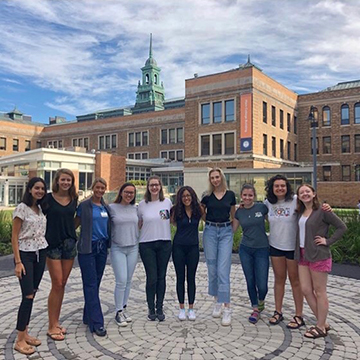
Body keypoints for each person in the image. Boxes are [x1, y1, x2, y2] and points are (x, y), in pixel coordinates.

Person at [295, 184, 346, 338]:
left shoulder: (323, 211)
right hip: (303, 254)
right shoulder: (300, 212)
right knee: (305, 289)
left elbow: (341, 227)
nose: (305, 194)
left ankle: (320, 327)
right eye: (301, 192)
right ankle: (322, 322)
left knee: (320, 291)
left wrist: (328, 241)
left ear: (314, 193)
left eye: (307, 191)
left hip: (318, 254)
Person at [11, 177, 48, 355]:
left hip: (40, 253)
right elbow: (15, 235)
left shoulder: (39, 208)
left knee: (32, 294)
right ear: (30, 189)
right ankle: (19, 340)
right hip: (25, 254)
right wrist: (18, 262)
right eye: (37, 188)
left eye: (42, 188)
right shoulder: (22, 208)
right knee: (27, 296)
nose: (40, 191)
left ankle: (25, 332)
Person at [264, 174, 305, 329]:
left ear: (287, 187)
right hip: (275, 246)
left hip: (292, 248)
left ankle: (299, 315)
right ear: (272, 188)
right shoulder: (268, 203)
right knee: (279, 279)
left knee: (295, 281)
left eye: (282, 185)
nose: (280, 188)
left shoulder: (295, 200)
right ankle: (278, 311)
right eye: (276, 186)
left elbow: (312, 208)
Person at [44, 168, 77, 340]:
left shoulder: (73, 199)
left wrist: (71, 230)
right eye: (63, 180)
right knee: (56, 283)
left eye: (68, 180)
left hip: (69, 244)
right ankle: (51, 326)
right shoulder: (47, 199)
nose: (65, 183)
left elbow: (75, 219)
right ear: (57, 181)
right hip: (52, 244)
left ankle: (56, 322)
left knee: (63, 283)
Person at [75, 177, 110, 336]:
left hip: (102, 248)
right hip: (88, 249)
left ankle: (87, 315)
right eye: (97, 187)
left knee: (95, 282)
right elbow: (74, 225)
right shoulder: (84, 206)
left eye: (103, 188)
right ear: (92, 188)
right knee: (90, 284)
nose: (100, 190)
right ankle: (97, 322)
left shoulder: (105, 207)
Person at [201, 168, 236, 326]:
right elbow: (202, 213)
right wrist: (208, 224)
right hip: (210, 231)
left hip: (225, 231)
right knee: (212, 268)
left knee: (223, 269)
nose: (215, 180)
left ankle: (227, 307)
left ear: (222, 177)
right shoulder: (207, 196)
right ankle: (217, 301)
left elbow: (234, 216)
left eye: (217, 177)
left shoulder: (230, 195)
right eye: (212, 178)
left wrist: (230, 232)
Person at [232, 184, 269, 324]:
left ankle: (261, 300)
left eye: (250, 195)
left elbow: (274, 221)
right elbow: (233, 229)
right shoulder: (239, 212)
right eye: (245, 195)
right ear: (241, 196)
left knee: (262, 284)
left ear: (254, 196)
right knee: (250, 280)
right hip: (245, 249)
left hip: (262, 249)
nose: (247, 198)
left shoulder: (261, 208)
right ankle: (255, 308)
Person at [138, 176, 172, 321]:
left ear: (160, 186)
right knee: (151, 277)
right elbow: (139, 223)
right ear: (148, 187)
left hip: (164, 243)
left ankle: (159, 307)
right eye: (151, 185)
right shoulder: (141, 205)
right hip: (147, 244)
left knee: (161, 276)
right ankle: (151, 307)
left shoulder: (167, 202)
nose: (154, 188)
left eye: (156, 185)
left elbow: (171, 220)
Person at [109, 182, 139, 327]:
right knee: (121, 279)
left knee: (128, 280)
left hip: (133, 247)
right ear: (121, 192)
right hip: (118, 248)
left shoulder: (136, 208)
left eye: (132, 193)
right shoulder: (112, 208)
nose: (129, 195)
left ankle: (124, 307)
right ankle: (118, 311)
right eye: (126, 192)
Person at [171, 186, 202, 321]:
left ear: (192, 196)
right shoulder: (176, 211)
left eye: (188, 195)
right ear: (180, 198)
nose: (186, 198)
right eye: (183, 196)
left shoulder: (198, 210)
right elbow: (171, 222)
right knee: (180, 278)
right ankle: (181, 308)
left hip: (193, 248)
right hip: (178, 247)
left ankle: (191, 308)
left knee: (191, 278)